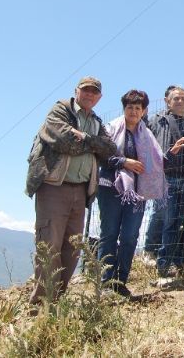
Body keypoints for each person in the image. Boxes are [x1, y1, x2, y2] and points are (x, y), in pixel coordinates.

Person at [25, 77, 116, 305]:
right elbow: (63, 141)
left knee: (72, 249)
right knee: (49, 245)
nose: (89, 95)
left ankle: (58, 301)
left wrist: (84, 138)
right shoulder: (60, 110)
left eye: (94, 92)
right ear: (77, 91)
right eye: (85, 90)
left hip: (81, 191)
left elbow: (110, 149)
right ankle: (40, 306)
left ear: (99, 97)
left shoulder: (95, 121)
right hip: (54, 186)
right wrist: (92, 143)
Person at [97, 90, 167, 297]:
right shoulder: (110, 129)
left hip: (138, 192)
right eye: (130, 107)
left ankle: (120, 281)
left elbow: (156, 161)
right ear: (124, 108)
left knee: (130, 236)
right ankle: (105, 282)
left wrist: (171, 153)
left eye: (138, 108)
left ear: (144, 111)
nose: (134, 111)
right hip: (110, 187)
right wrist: (123, 162)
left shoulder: (147, 135)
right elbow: (101, 156)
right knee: (109, 233)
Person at [146, 86, 184, 278]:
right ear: (167, 101)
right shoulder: (156, 121)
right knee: (169, 221)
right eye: (176, 99)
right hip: (166, 179)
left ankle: (178, 261)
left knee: (181, 222)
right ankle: (164, 263)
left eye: (183, 99)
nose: (180, 102)